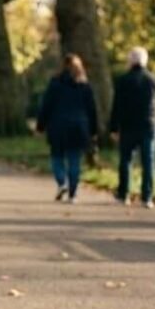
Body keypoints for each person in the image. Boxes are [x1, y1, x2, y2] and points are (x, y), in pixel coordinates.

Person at [108, 47, 155, 209]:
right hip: (149, 125)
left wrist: (113, 128)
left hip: (128, 125)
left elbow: (117, 106)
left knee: (125, 160)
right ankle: (147, 197)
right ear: (145, 61)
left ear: (130, 61)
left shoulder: (123, 80)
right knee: (148, 161)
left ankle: (123, 194)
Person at [36, 53, 98, 203]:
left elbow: (47, 106)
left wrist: (40, 126)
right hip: (79, 126)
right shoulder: (84, 85)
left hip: (58, 125)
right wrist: (94, 130)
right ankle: (73, 194)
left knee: (57, 157)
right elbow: (92, 109)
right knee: (74, 159)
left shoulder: (55, 83)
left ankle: (61, 182)